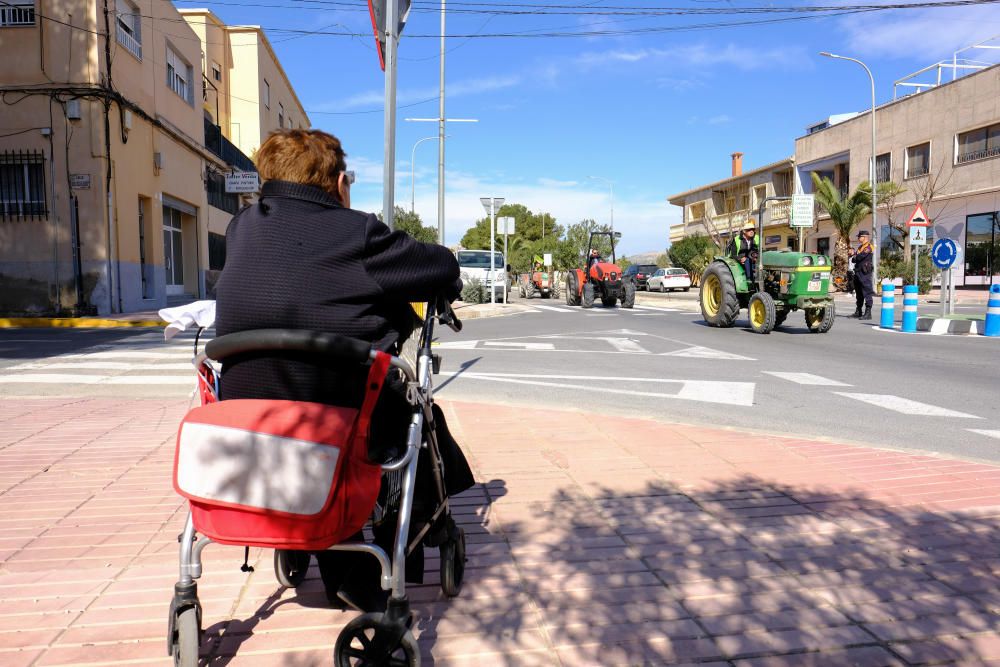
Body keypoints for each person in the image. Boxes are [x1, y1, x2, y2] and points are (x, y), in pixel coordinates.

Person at [214, 129, 474, 612]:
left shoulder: (240, 228)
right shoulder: (358, 232)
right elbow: (437, 267)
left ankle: (314, 540)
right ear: (337, 182)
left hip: (245, 413)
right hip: (341, 419)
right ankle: (399, 540)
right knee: (416, 413)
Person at [849, 229, 875, 320]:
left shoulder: (869, 247)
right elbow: (853, 258)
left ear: (865, 237)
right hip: (858, 272)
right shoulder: (860, 247)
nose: (858, 238)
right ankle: (858, 311)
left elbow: (860, 257)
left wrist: (855, 256)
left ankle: (868, 313)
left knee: (867, 292)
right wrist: (853, 255)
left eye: (860, 237)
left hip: (865, 273)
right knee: (859, 293)